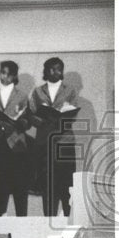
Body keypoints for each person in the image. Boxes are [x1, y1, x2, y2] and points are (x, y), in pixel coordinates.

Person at [27, 56, 79, 217]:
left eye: (59, 69)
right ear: (46, 70)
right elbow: (31, 115)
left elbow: (72, 115)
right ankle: (48, 222)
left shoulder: (70, 90)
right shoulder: (37, 91)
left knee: (66, 184)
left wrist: (58, 119)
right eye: (52, 68)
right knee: (48, 186)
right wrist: (40, 121)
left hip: (65, 143)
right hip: (44, 143)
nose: (56, 72)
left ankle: (69, 222)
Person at [0, 60, 31, 216]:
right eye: (2, 73)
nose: (5, 77)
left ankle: (22, 223)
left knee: (19, 189)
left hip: (16, 144)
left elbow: (28, 120)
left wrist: (21, 122)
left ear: (14, 76)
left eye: (9, 74)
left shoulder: (22, 95)